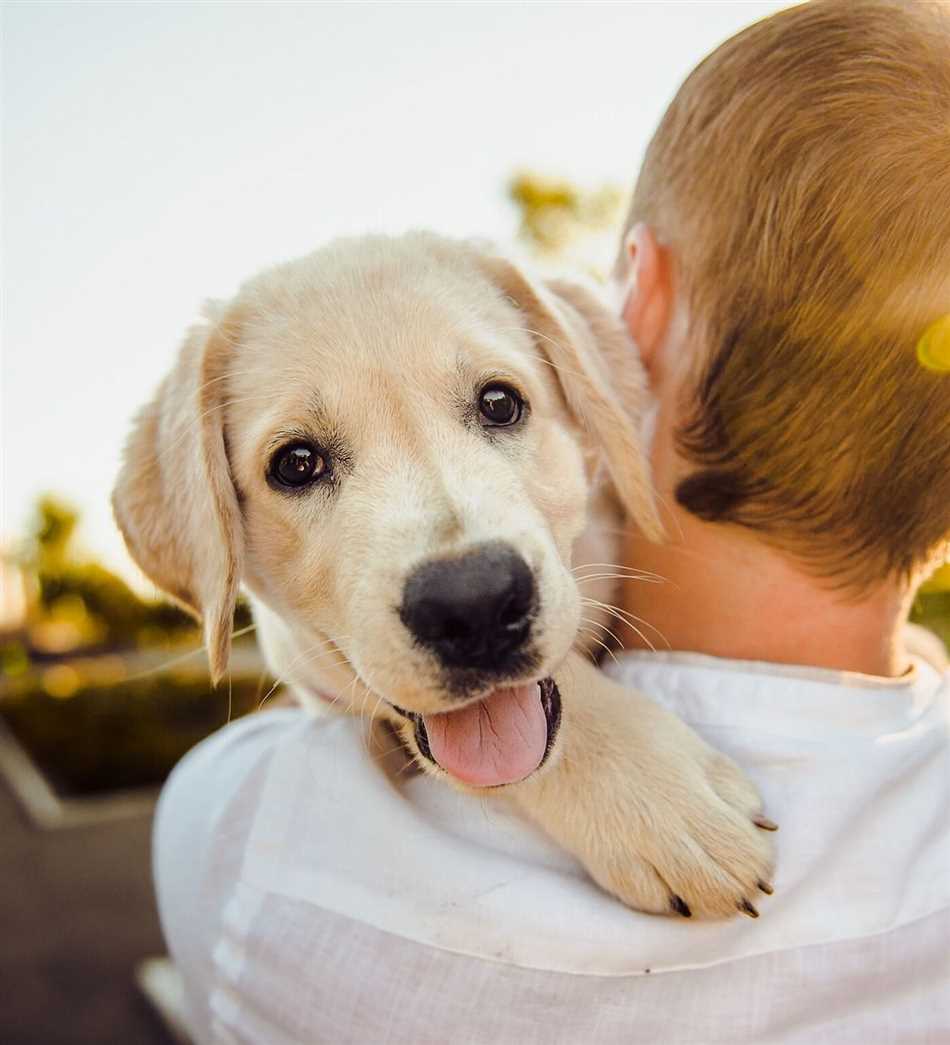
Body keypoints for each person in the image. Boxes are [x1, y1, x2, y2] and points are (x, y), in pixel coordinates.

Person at [153, 1, 950, 1041]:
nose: (459, 564)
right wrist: (578, 740)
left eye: (495, 405)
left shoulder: (244, 835)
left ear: (633, 317)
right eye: (300, 463)